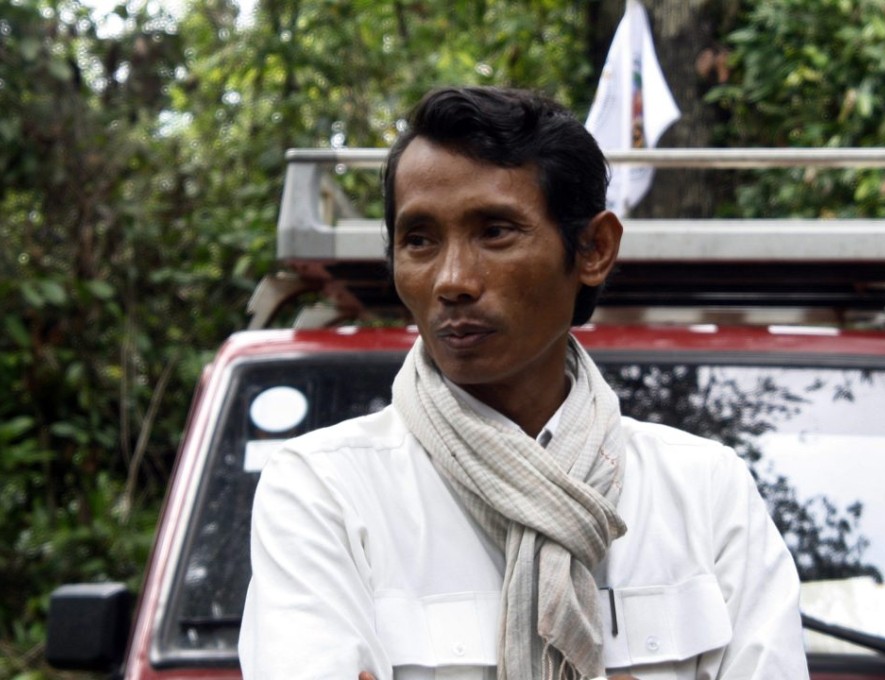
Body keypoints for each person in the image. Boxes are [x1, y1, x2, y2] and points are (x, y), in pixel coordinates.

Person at [238, 86, 808, 680]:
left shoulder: (704, 492)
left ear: (593, 249)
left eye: (496, 232)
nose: (452, 280)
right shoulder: (326, 490)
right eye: (420, 240)